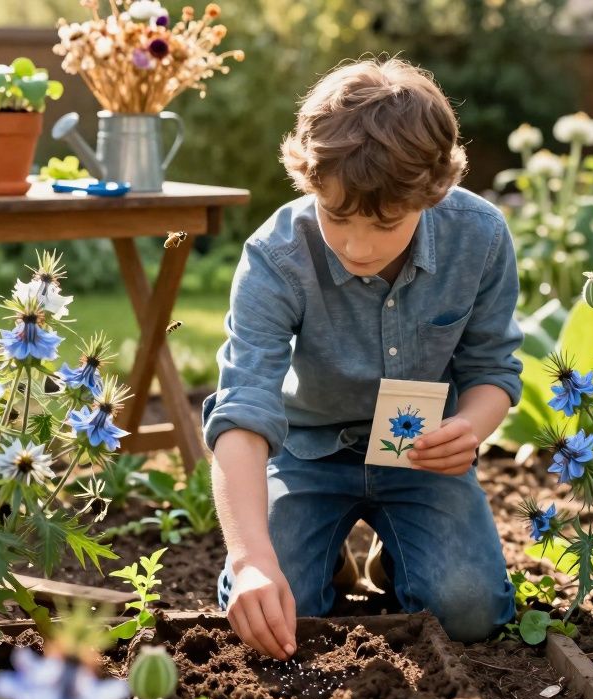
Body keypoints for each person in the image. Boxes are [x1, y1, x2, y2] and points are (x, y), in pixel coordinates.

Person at [201, 58, 524, 660]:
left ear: (433, 192)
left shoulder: (479, 236)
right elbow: (243, 410)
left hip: (421, 458)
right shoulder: (276, 257)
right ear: (310, 183)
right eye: (336, 215)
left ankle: (394, 550)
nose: (355, 245)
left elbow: (492, 369)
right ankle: (324, 559)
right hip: (306, 453)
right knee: (279, 609)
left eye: (385, 223)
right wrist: (249, 561)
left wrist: (471, 427)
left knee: (469, 611)